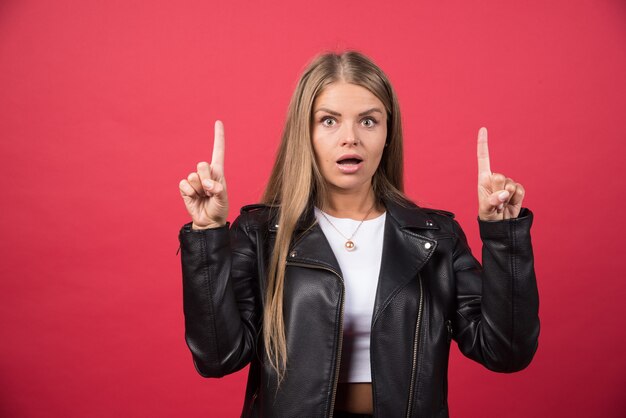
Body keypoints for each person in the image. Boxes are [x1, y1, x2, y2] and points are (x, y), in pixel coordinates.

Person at [177, 51, 539, 418]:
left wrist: (502, 235)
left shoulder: (436, 239)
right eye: (329, 121)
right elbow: (217, 357)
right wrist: (207, 233)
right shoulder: (261, 235)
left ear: (387, 133)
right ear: (306, 132)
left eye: (368, 121)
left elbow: (505, 352)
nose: (350, 138)